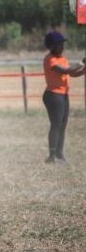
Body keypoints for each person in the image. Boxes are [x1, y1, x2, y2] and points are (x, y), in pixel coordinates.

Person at [42, 31, 85, 163]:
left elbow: (71, 74)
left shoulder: (62, 59)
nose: (62, 47)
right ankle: (52, 155)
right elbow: (66, 70)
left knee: (63, 124)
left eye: (62, 44)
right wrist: (81, 63)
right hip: (53, 95)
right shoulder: (50, 59)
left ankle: (59, 154)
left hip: (63, 95)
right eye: (59, 45)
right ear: (52, 46)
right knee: (56, 125)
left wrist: (83, 71)